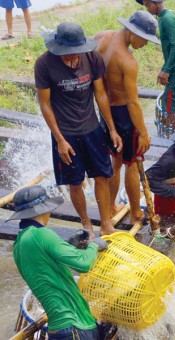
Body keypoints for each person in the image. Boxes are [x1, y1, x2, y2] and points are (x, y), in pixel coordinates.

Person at [35, 22, 123, 237]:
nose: (73, 60)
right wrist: (59, 140)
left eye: (76, 56)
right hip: (65, 133)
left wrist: (111, 128)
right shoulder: (44, 64)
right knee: (75, 181)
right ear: (58, 50)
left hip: (92, 129)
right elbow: (45, 104)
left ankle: (105, 223)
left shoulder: (92, 57)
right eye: (68, 56)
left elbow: (100, 94)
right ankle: (86, 225)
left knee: (102, 176)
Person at [9, 185, 108, 339]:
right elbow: (83, 264)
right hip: (74, 325)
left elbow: (46, 269)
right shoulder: (42, 234)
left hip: (59, 328)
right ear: (43, 209)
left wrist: (69, 245)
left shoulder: (19, 243)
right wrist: (94, 246)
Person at [94, 11, 160, 224]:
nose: (145, 45)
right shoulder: (128, 61)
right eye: (145, 39)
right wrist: (143, 132)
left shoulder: (101, 37)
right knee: (132, 162)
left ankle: (112, 207)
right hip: (123, 113)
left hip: (105, 112)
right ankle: (136, 213)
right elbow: (133, 102)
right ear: (133, 33)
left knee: (116, 161)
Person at [138, 0, 175, 132]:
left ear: (157, 2)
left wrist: (166, 70)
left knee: (171, 107)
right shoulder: (169, 16)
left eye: (148, 4)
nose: (147, 8)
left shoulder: (166, 19)